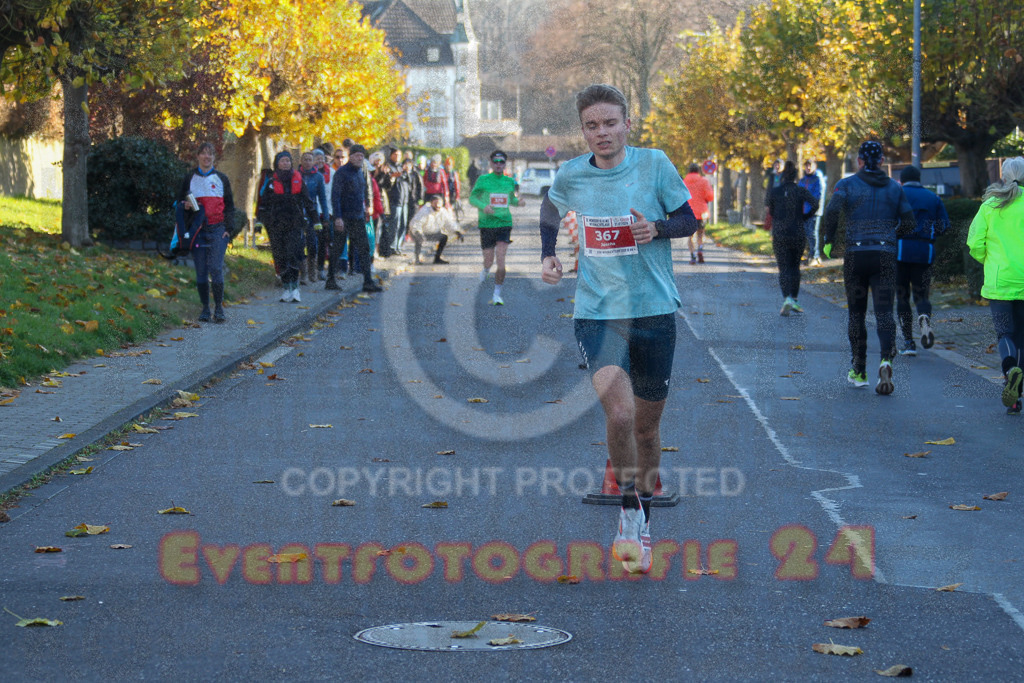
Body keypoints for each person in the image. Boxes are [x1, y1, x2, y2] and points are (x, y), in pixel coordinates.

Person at [539, 84, 698, 574]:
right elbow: (550, 209)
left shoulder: (654, 164)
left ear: (627, 124)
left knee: (647, 429)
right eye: (592, 126)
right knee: (622, 413)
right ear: (583, 131)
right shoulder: (571, 174)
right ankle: (628, 511)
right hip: (598, 313)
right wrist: (548, 253)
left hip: (654, 310)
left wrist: (657, 228)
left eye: (610, 123)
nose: (602, 133)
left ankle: (644, 518)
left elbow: (689, 220)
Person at [821, 141, 915, 395]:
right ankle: (885, 359)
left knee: (856, 314)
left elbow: (832, 211)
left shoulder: (846, 184)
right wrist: (892, 236)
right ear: (882, 161)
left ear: (859, 161)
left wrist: (829, 240)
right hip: (885, 254)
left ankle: (859, 369)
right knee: (884, 312)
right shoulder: (895, 187)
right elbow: (909, 221)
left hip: (856, 253)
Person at [967, 157, 1024, 414]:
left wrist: (989, 261)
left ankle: (1010, 371)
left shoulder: (990, 205)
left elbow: (975, 243)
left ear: (1003, 176)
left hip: (1000, 281)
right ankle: (1016, 396)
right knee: (1021, 337)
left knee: (1004, 334)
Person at [176, 142, 237, 323]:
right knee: (201, 270)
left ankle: (218, 308)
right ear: (198, 156)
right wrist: (185, 205)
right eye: (203, 153)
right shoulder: (189, 178)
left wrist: (229, 229)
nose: (206, 157)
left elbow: (230, 206)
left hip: (218, 229)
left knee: (216, 268)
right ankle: (205, 309)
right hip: (198, 230)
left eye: (210, 154)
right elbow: (179, 201)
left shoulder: (222, 178)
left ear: (214, 158)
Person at [896, 165, 951, 356]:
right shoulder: (933, 198)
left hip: (900, 250)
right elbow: (944, 225)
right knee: (922, 295)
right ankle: (924, 317)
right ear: (919, 179)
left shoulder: (897, 195)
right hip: (925, 251)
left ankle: (908, 342)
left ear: (902, 180)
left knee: (902, 296)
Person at [259, 150, 314, 303]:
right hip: (276, 224)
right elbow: (264, 204)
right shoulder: (271, 182)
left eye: (288, 161)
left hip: (294, 223)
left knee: (293, 254)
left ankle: (295, 288)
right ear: (277, 163)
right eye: (282, 161)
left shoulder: (298, 180)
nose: (285, 163)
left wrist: (315, 220)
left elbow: (308, 201)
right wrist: (260, 222)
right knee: (280, 256)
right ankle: (286, 287)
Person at [767, 161, 817, 315]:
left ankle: (787, 298)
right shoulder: (800, 190)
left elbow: (770, 210)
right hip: (797, 231)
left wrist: (778, 218)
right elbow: (815, 204)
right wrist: (805, 216)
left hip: (780, 233)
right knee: (795, 266)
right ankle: (794, 298)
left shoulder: (775, 192)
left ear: (783, 175)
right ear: (796, 176)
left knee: (783, 268)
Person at [469, 149, 519, 305]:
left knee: (501, 261)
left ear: (505, 164)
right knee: (489, 260)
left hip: (504, 224)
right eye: (496, 162)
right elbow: (472, 198)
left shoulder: (510, 181)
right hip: (487, 224)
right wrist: (483, 206)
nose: (498, 164)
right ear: (491, 163)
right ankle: (485, 270)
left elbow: (512, 199)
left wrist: (519, 201)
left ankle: (497, 294)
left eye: (501, 162)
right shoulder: (483, 180)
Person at [331, 143, 382, 293]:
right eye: (357, 156)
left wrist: (367, 206)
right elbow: (335, 196)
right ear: (351, 157)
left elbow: (366, 189)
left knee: (364, 248)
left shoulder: (361, 171)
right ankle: (330, 279)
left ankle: (367, 281)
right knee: (338, 248)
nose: (360, 158)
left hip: (358, 216)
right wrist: (338, 217)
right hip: (344, 216)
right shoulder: (341, 172)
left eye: (362, 156)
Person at [299, 151, 328, 284]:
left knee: (312, 243)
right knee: (300, 243)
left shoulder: (318, 177)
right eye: (305, 159)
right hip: (299, 212)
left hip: (312, 213)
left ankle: (313, 270)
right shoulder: (296, 175)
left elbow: (322, 198)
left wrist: (325, 216)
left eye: (310, 159)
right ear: (301, 161)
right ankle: (303, 273)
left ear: (313, 162)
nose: (307, 162)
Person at [408, 194, 464, 264]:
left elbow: (449, 223)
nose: (437, 205)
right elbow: (415, 223)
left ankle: (437, 258)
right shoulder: (425, 211)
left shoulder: (443, 211)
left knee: (444, 237)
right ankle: (417, 259)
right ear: (431, 203)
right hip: (420, 232)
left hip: (432, 232)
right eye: (435, 203)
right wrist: (418, 233)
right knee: (419, 239)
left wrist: (457, 232)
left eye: (439, 203)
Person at [683, 163, 714, 264]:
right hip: (702, 212)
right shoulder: (704, 181)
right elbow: (710, 196)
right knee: (701, 233)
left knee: (690, 236)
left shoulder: (683, 182)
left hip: (688, 213)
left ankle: (692, 256)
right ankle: (700, 249)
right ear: (698, 171)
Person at [798, 160, 824, 265]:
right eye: (807, 166)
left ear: (815, 167)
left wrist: (813, 209)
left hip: (814, 212)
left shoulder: (818, 179)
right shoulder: (803, 180)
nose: (808, 168)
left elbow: (818, 196)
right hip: (803, 211)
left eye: (810, 166)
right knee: (805, 234)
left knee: (812, 233)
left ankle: (815, 256)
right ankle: (809, 255)